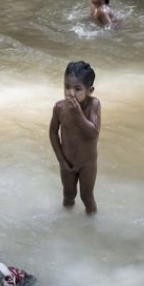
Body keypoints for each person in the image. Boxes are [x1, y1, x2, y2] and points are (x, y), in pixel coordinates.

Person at [48, 61, 101, 214]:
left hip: (87, 164)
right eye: (67, 87)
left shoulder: (94, 105)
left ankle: (92, 227)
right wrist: (61, 161)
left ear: (89, 90)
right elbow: (53, 133)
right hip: (67, 162)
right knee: (68, 195)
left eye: (77, 89)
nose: (70, 93)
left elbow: (93, 134)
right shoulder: (59, 108)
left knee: (87, 197)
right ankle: (66, 225)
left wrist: (78, 114)